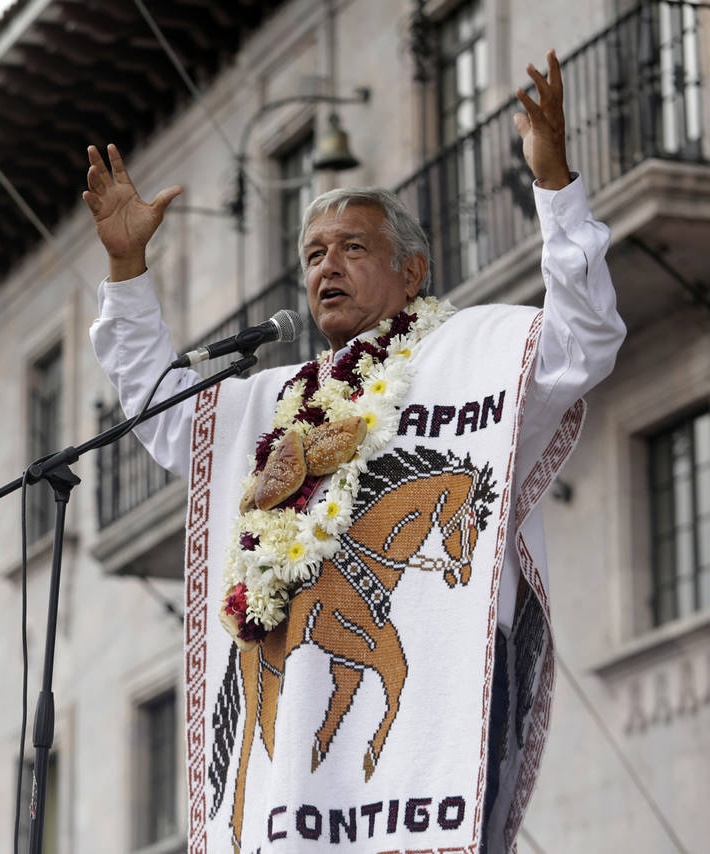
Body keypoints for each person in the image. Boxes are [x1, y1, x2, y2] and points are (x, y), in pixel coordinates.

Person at [87, 52, 624, 853]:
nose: (327, 267)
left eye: (352, 248)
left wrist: (555, 187)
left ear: (413, 273)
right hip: (298, 777)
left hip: (440, 736)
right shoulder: (269, 404)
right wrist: (128, 270)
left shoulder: (474, 350)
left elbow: (586, 338)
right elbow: (160, 410)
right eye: (313, 254)